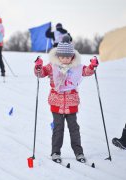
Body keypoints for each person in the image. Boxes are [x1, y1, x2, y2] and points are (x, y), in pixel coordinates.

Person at [34, 35, 99, 163]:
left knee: (74, 127)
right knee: (58, 127)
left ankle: (79, 152)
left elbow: (86, 71)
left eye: (68, 57)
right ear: (58, 56)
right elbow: (40, 74)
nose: (65, 59)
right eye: (62, 57)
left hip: (72, 102)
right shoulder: (52, 66)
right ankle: (55, 152)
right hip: (56, 102)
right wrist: (38, 67)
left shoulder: (77, 67)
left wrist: (92, 66)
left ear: (72, 56)